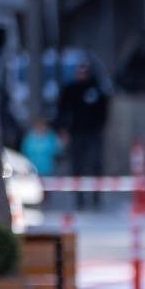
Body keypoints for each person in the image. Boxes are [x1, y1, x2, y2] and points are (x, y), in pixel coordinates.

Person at [56, 61, 109, 210]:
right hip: (76, 133)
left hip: (93, 133)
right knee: (77, 164)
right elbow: (62, 110)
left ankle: (96, 196)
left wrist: (99, 127)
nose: (81, 75)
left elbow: (104, 110)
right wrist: (63, 129)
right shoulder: (70, 89)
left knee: (95, 164)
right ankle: (79, 198)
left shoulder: (96, 89)